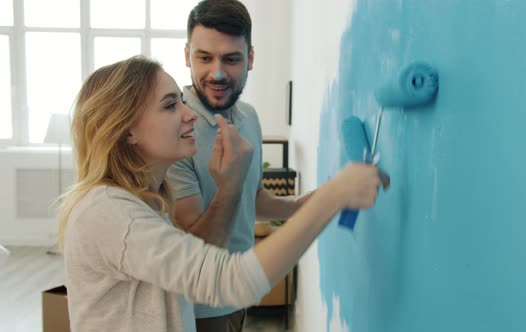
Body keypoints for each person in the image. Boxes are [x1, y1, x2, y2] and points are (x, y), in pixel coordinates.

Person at [58, 55, 388, 332]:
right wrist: (333, 196)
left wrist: (320, 198)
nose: (188, 115)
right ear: (127, 129)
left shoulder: (146, 202)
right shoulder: (109, 212)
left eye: (182, 102)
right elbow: (230, 280)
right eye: (171, 105)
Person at [168, 1, 314, 329]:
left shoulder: (248, 116)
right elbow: (195, 251)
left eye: (231, 59)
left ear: (250, 58)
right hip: (197, 310)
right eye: (204, 57)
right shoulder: (173, 129)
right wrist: (229, 184)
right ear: (187, 55)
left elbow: (253, 197)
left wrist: (300, 207)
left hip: (239, 295)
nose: (217, 73)